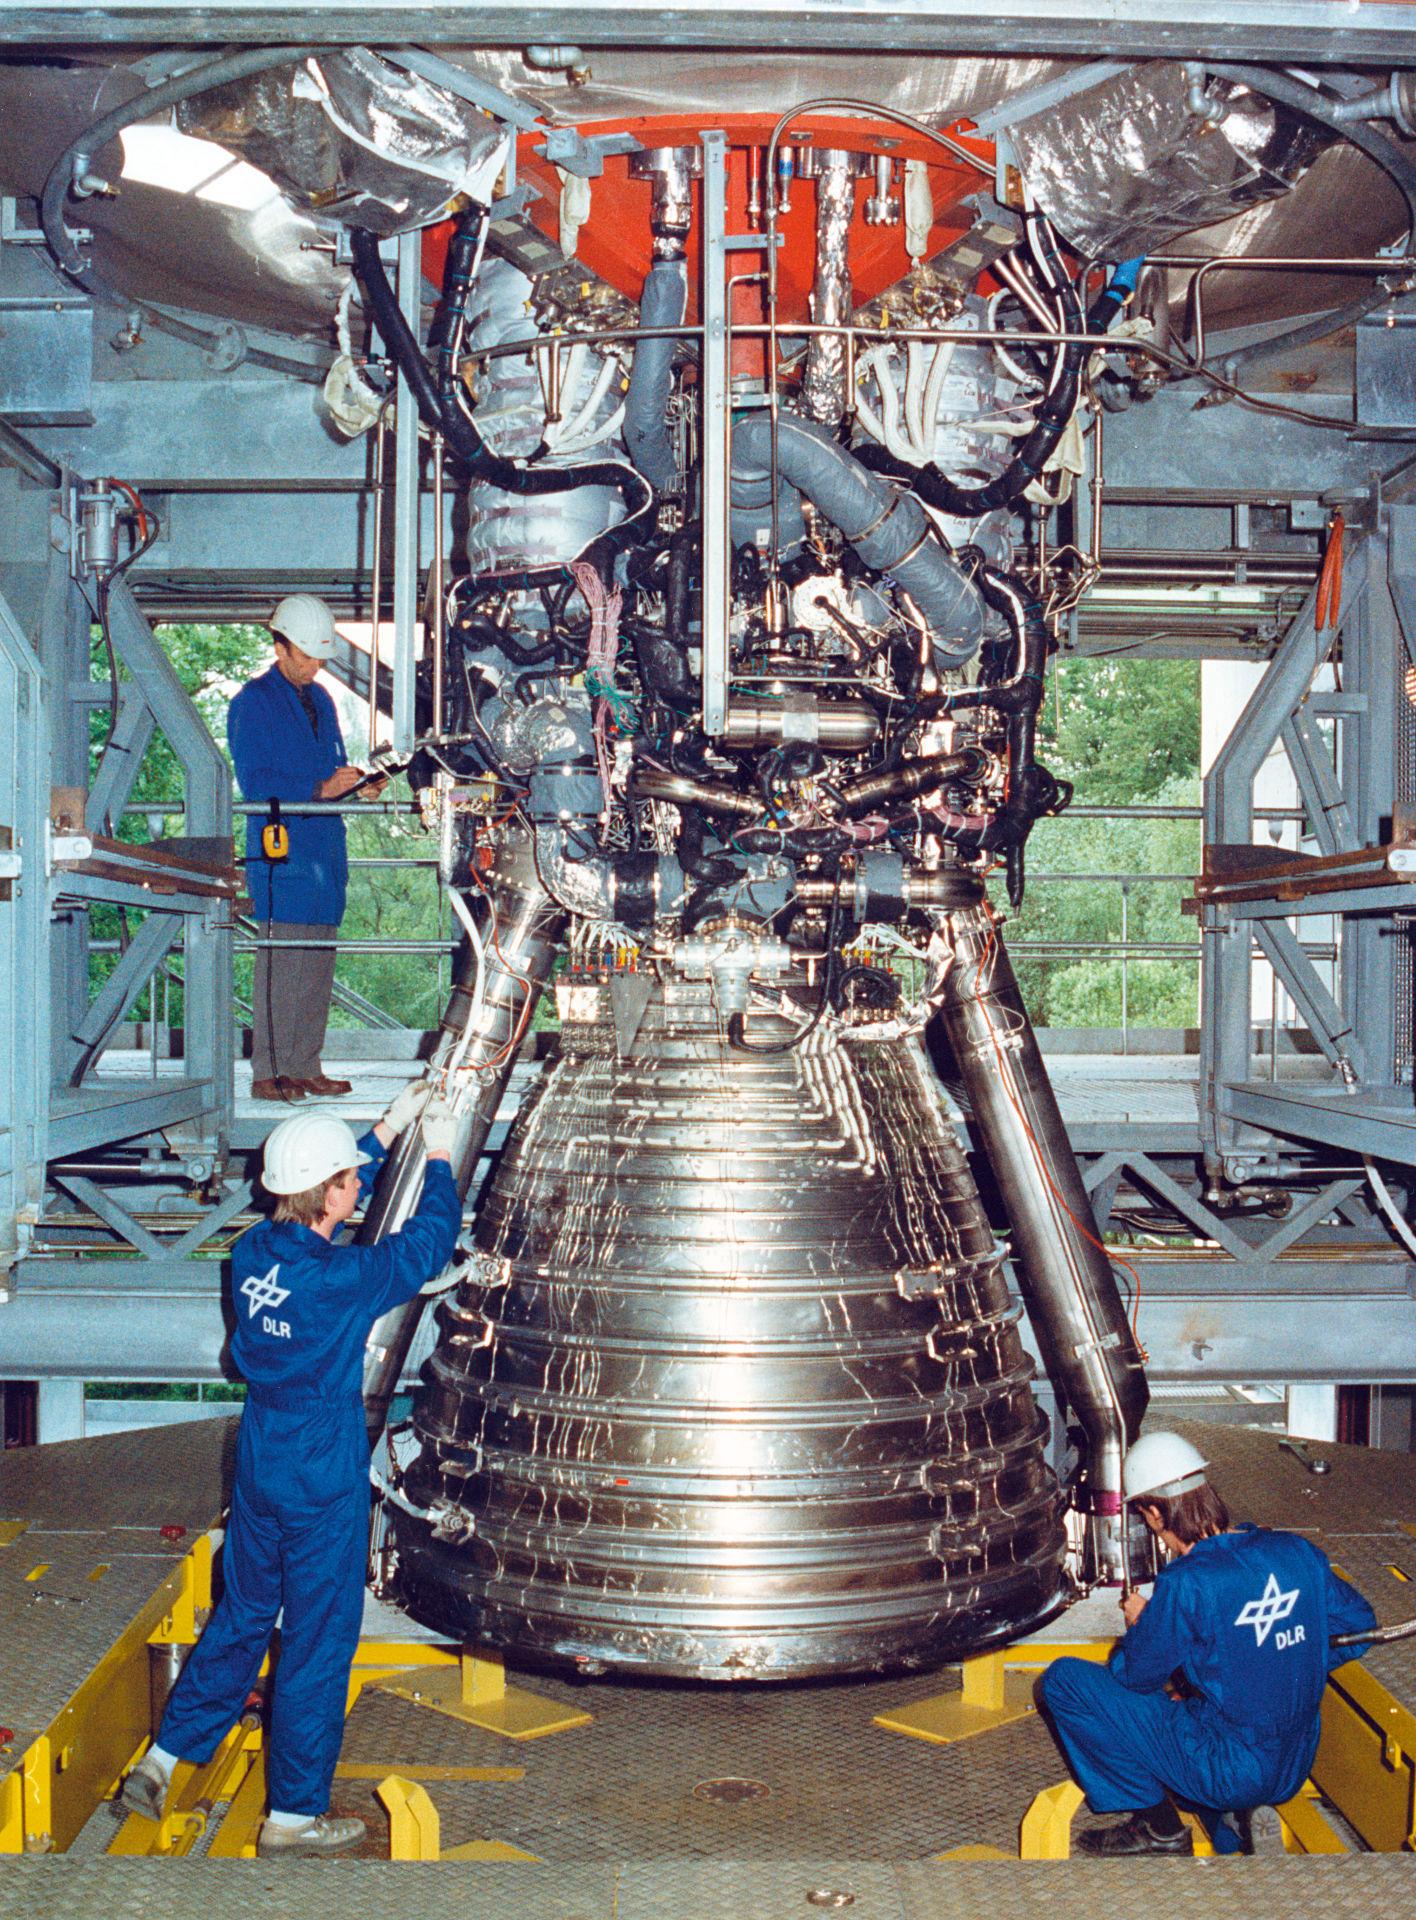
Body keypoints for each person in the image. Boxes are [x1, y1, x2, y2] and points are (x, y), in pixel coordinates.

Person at [118, 1079, 460, 1858]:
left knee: (243, 1613)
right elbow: (427, 1242)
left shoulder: (250, 1252)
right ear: (331, 1193)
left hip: (261, 1454)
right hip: (319, 1466)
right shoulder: (342, 1281)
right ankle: (294, 1816)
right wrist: (439, 1152)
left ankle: (164, 1759)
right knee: (316, 1637)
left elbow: (318, 1186)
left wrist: (385, 1129)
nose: (359, 1186)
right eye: (352, 1179)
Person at [1039, 1430, 1376, 1857]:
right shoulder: (1296, 1551)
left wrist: (1144, 1624)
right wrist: (1281, 1659)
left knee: (1065, 1681)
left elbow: (1135, 1677)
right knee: (1193, 1706)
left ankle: (1157, 1825)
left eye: (1144, 1515)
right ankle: (1232, 1824)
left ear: (1156, 1514)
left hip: (1229, 1768)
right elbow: (1359, 1627)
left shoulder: (1187, 1582)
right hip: (1294, 1763)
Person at [229, 594, 384, 1103]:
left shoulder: (323, 701)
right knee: (282, 963)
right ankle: (270, 1072)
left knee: (316, 963)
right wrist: (320, 789)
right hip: (284, 853)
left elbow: (330, 771)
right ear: (280, 646)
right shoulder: (251, 703)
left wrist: (359, 784)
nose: (317, 665)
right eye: (308, 655)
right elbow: (255, 782)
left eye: (321, 656)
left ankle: (305, 1065)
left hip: (324, 852)